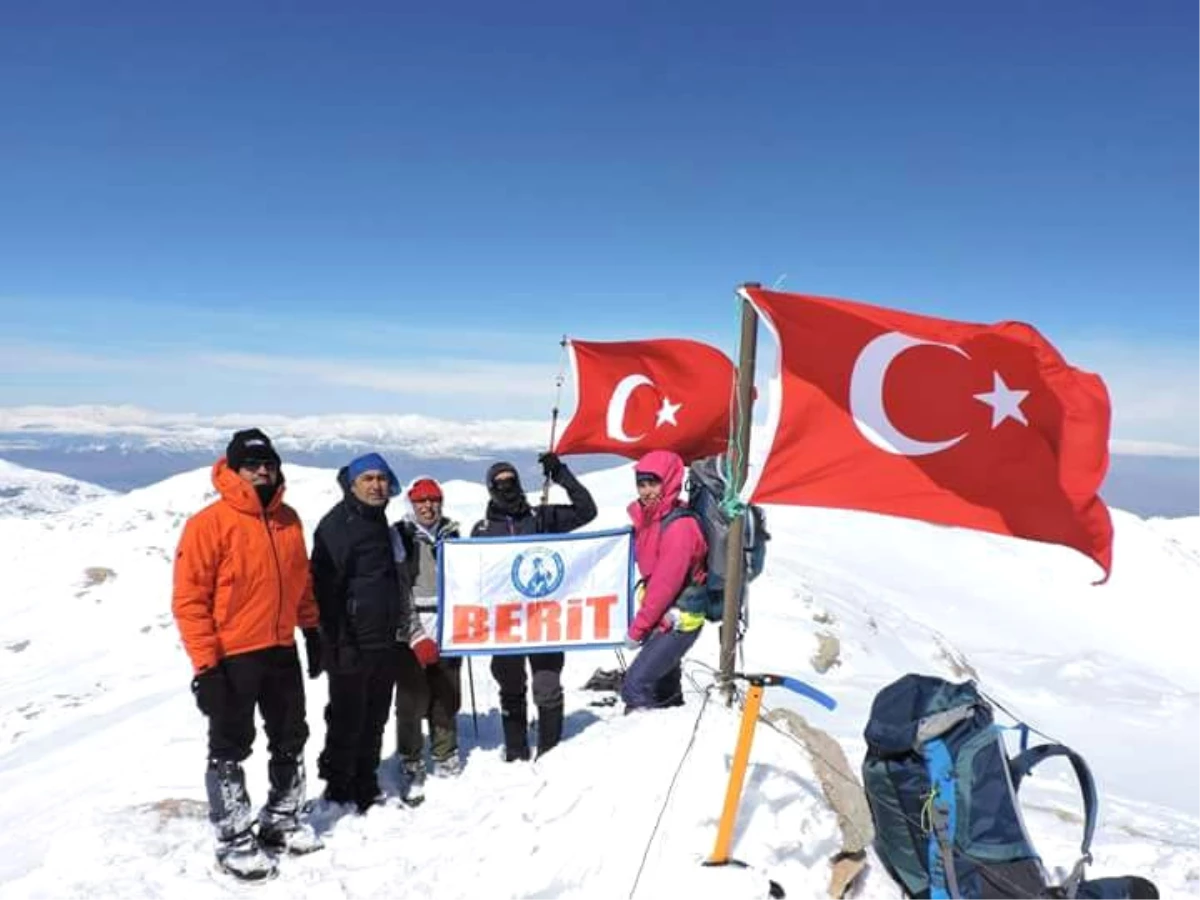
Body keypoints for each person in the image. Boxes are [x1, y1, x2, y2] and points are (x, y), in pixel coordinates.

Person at [172, 428, 323, 881]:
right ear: (234, 471)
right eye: (252, 464)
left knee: (291, 735)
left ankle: (281, 818)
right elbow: (189, 601)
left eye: (268, 464)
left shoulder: (289, 520)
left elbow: (301, 583)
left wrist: (312, 630)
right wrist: (206, 668)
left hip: (281, 649)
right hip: (234, 655)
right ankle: (234, 837)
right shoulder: (209, 524)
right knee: (229, 747)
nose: (262, 470)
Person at [311, 453, 438, 812]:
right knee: (347, 717)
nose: (376, 485)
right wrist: (335, 641)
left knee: (375, 715)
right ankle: (338, 788)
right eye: (367, 479)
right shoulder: (337, 526)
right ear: (352, 484)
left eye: (381, 479)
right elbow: (323, 589)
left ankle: (365, 780)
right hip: (349, 642)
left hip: (383, 640)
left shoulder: (379, 523)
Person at [471, 452, 597, 761]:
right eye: (499, 483)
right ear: (490, 488)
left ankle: (550, 753)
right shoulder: (482, 530)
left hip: (544, 621)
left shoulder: (542, 518)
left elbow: (586, 511)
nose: (506, 487)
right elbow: (474, 576)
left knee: (547, 685)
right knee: (511, 686)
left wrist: (561, 475)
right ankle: (516, 751)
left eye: (511, 481)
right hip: (506, 624)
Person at [620, 450, 708, 712]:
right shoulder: (651, 518)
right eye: (642, 483)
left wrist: (637, 630)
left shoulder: (680, 528)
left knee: (635, 685)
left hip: (680, 619)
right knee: (663, 685)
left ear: (669, 481)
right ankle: (672, 726)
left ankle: (644, 741)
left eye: (653, 483)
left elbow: (663, 585)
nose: (647, 491)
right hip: (664, 617)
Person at [393, 477, 463, 794]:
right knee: (412, 699)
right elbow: (398, 590)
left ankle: (445, 751)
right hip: (412, 626)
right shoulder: (401, 537)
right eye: (421, 501)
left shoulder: (453, 535)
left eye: (433, 500)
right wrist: (415, 634)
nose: (428, 506)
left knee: (446, 693)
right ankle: (410, 757)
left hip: (450, 625)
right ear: (412, 504)